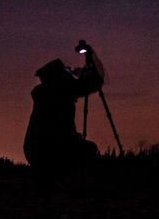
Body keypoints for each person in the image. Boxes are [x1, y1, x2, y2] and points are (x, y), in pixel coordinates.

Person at [23, 52, 104, 182]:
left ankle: (48, 173)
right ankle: (65, 177)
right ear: (58, 76)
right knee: (90, 149)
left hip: (34, 151)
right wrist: (91, 64)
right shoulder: (60, 90)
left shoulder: (44, 93)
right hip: (51, 150)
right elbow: (93, 83)